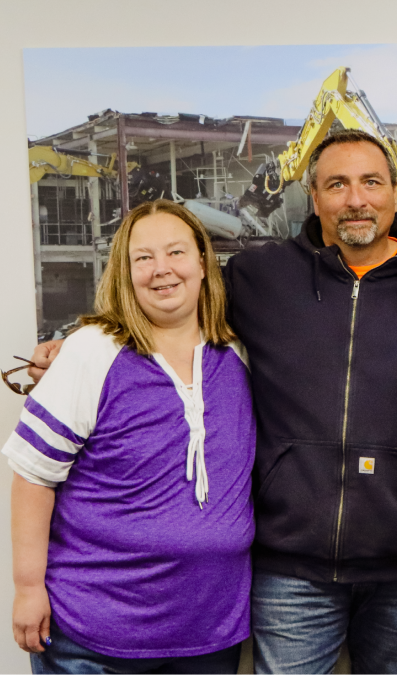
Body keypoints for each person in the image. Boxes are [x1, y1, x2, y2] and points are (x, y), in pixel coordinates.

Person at [29, 129, 397, 673]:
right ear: (314, 196)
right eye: (337, 184)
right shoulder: (260, 276)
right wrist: (74, 342)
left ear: (394, 189)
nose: (355, 199)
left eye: (370, 182)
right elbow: (171, 300)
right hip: (290, 569)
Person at [5, 200, 254, 673]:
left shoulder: (238, 351)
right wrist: (27, 589)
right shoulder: (91, 352)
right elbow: (32, 477)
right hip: (94, 635)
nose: (161, 270)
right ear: (125, 270)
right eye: (143, 258)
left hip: (208, 631)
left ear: (203, 261)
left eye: (176, 252)